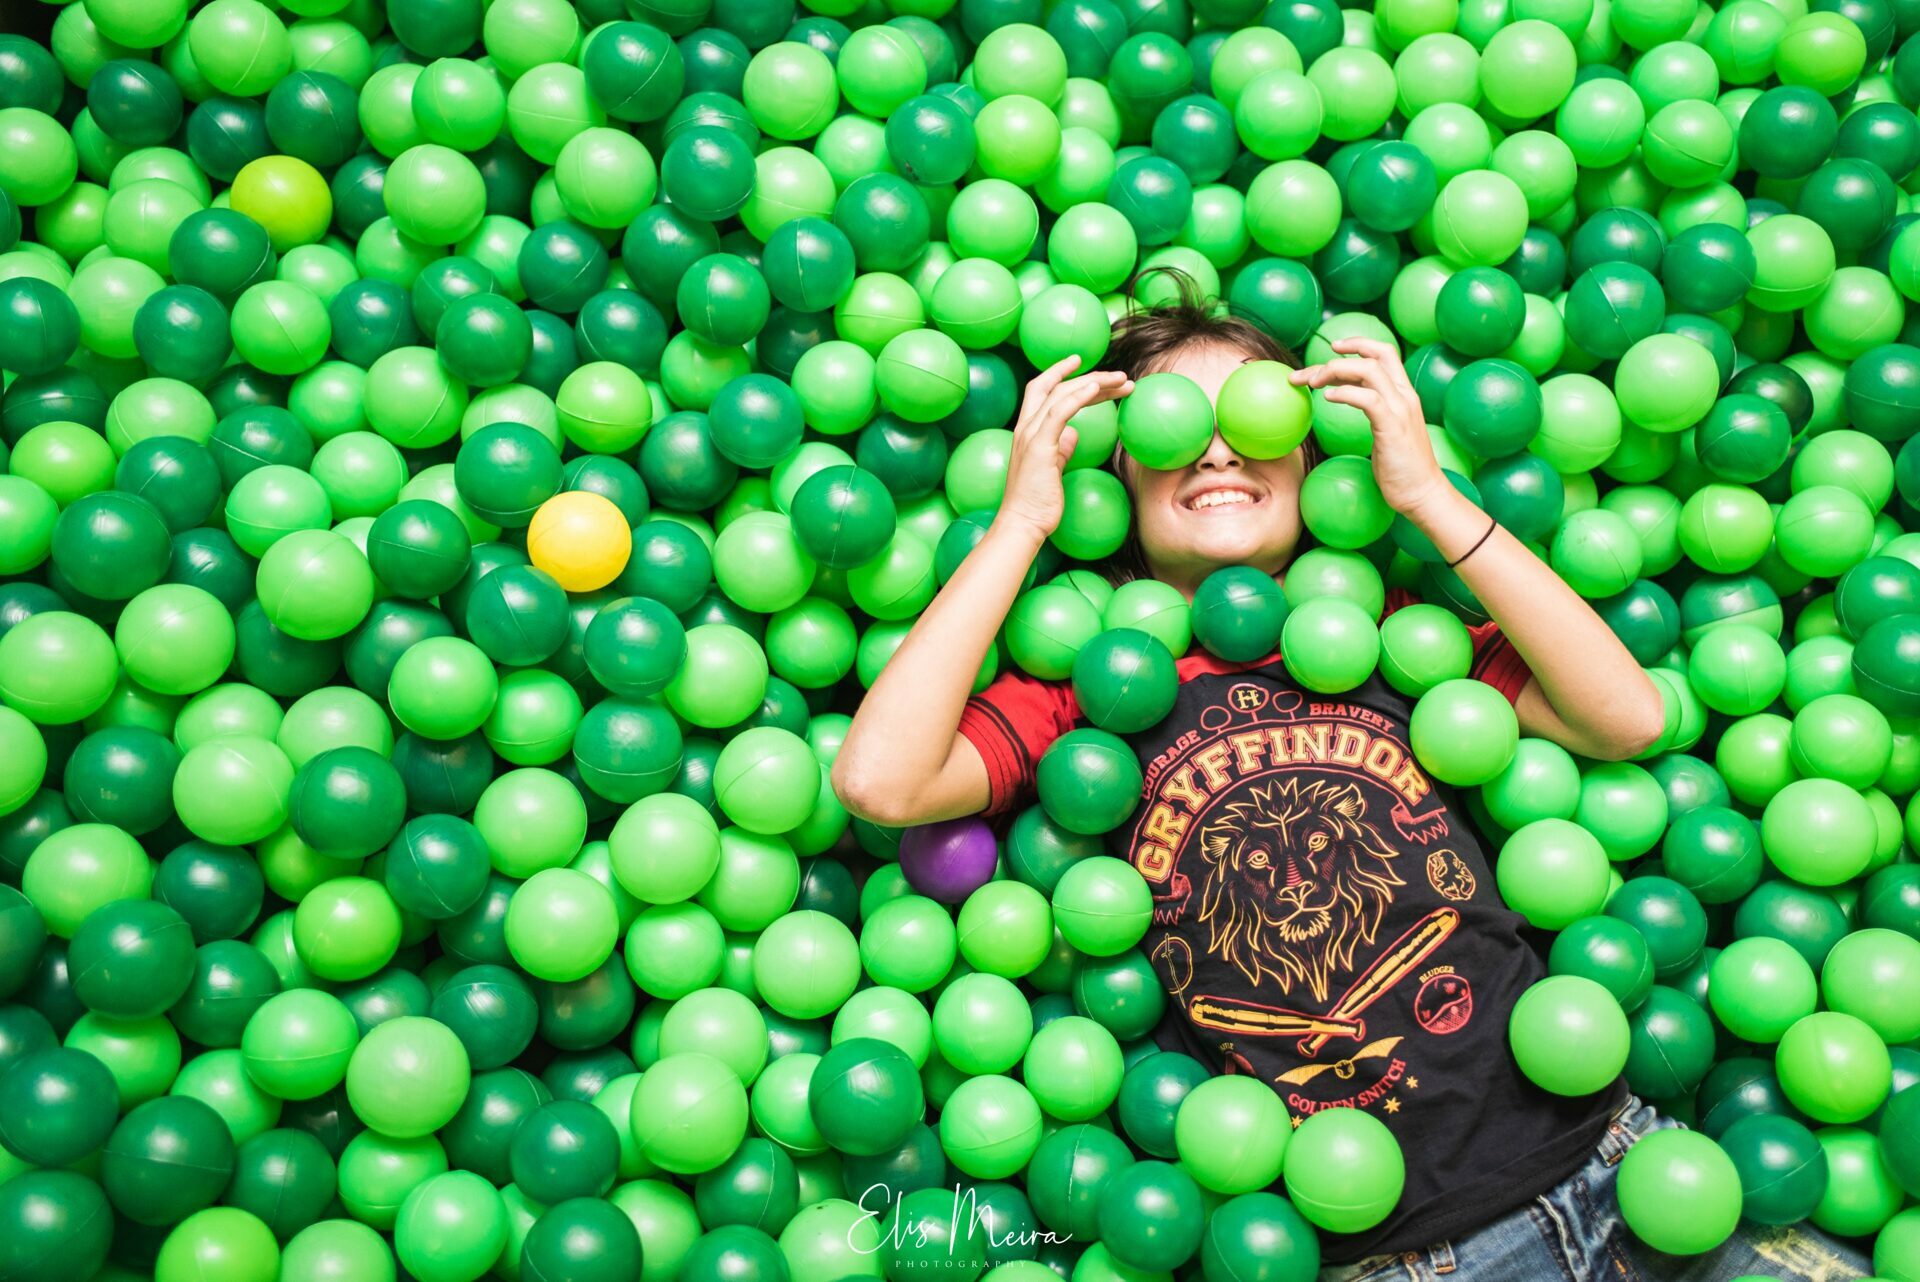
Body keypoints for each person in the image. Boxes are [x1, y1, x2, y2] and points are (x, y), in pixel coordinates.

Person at [832, 287, 1874, 1282]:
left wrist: (1427, 495)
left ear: (1308, 454)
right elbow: (881, 780)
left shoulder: (1391, 635)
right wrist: (1021, 521)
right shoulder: (1085, 691)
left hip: (1630, 1168)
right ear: (1117, 482)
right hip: (1405, 1254)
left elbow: (1627, 717)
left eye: (1252, 416)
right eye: (1173, 427)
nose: (1217, 448)